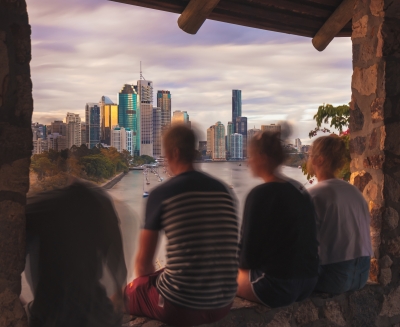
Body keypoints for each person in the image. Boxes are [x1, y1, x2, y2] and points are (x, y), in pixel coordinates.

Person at [125, 125, 239, 327]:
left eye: (165, 155)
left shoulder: (163, 194)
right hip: (224, 303)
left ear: (175, 153)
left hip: (181, 308)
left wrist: (143, 286)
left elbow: (143, 265)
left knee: (130, 290)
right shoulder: (224, 191)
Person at [24, 181, 127, 327]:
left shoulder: (37, 207)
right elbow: (117, 268)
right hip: (98, 313)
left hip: (48, 315)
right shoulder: (98, 201)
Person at [237, 131, 319, 308]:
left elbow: (247, 258)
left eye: (251, 156)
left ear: (263, 158)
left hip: (277, 286)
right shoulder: (299, 190)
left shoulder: (260, 195)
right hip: (309, 280)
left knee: (223, 277)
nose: (248, 161)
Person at [307, 135, 373, 294]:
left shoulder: (314, 195)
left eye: (310, 155)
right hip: (362, 274)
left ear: (319, 159)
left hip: (333, 277)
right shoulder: (354, 192)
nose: (308, 159)